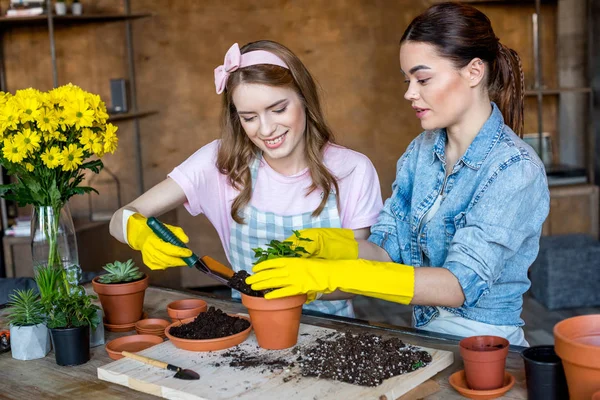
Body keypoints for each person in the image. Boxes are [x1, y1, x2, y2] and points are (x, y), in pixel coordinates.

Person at [246, 3, 550, 346]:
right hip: (428, 338)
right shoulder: (421, 151)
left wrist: (333, 272)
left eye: (423, 79)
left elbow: (457, 286)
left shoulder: (515, 169)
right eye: (408, 80)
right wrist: (327, 247)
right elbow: (388, 250)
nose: (409, 93)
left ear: (473, 72)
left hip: (487, 348)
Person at [109, 40, 383, 318]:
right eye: (249, 117)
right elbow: (120, 218)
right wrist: (138, 233)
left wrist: (307, 285)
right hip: (249, 331)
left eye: (278, 109)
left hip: (334, 332)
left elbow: (361, 274)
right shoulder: (220, 162)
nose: (266, 129)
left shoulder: (352, 170)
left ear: (303, 97)